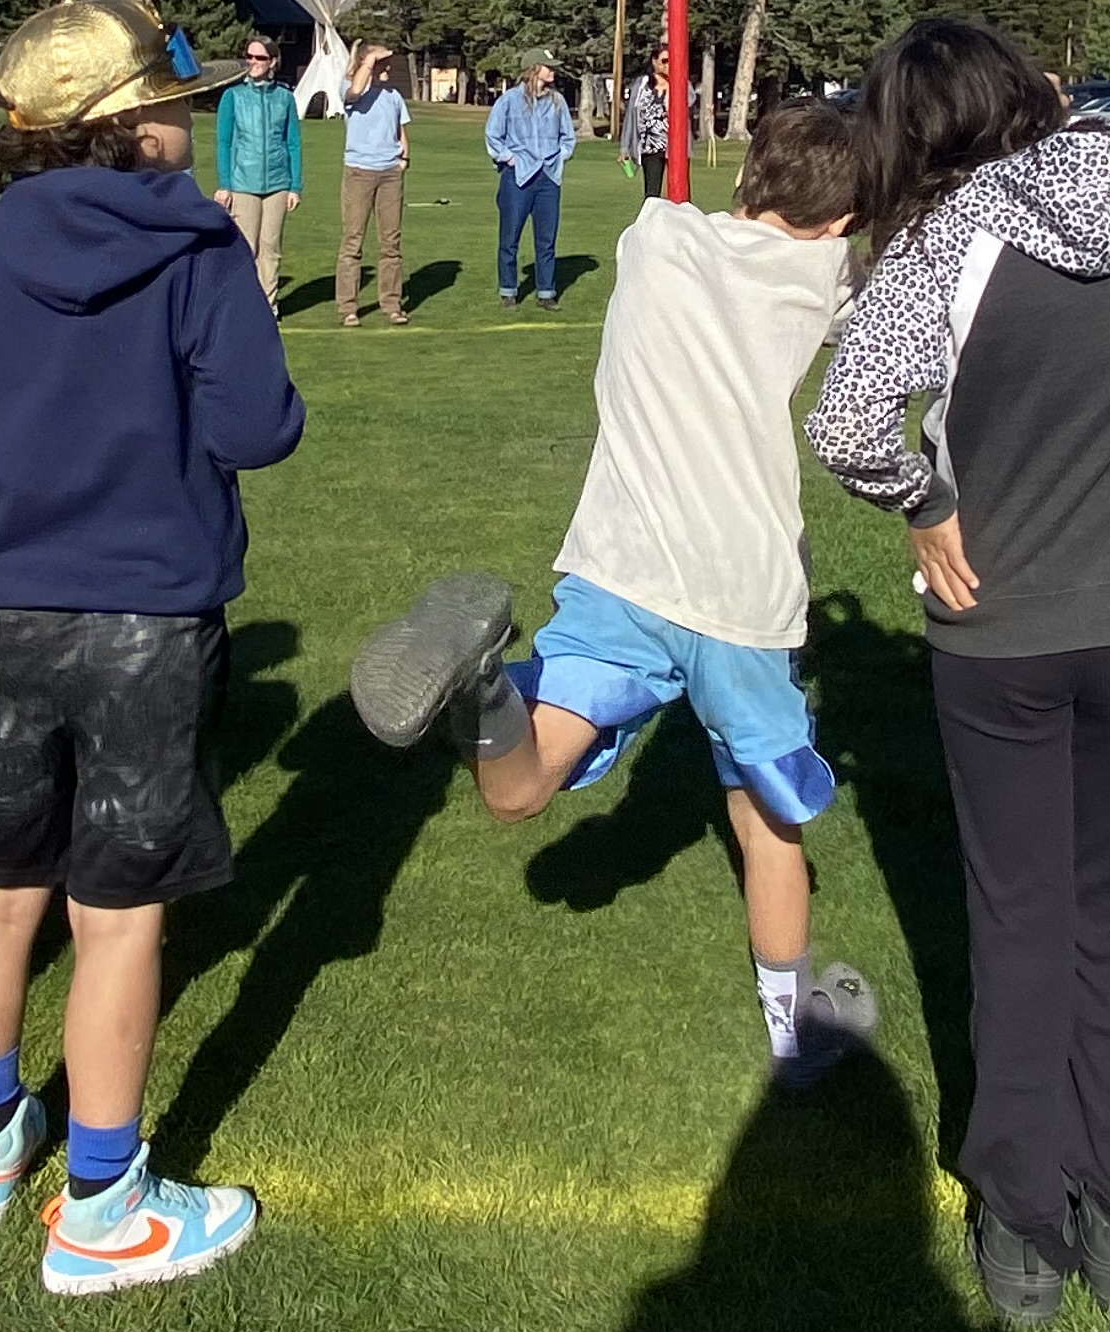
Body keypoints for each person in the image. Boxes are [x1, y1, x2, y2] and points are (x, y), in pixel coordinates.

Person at [806, 20, 1110, 1327]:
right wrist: (1073, 119)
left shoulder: (948, 237)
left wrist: (924, 501)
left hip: (1009, 624)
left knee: (1021, 914)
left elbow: (845, 418)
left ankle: (1025, 1214)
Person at [347, 100, 878, 1090]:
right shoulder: (829, 277)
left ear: (749, 175)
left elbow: (683, 202)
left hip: (618, 568)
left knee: (525, 785)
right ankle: (797, 1038)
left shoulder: (653, 237)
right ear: (844, 221)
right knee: (768, 823)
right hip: (739, 596)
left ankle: (483, 689)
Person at [0, 0, 296, 1295]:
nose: (188, 118)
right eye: (170, 103)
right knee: (117, 918)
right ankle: (104, 1204)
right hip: (151, 623)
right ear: (129, 129)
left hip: (6, 613)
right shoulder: (199, 254)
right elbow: (258, 427)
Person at [211, 32, 302, 303]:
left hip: (278, 182)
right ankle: (243, 304)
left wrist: (294, 186)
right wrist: (225, 183)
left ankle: (268, 305)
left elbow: (293, 143)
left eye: (260, 57)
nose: (253, 62)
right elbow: (224, 142)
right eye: (249, 56)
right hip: (243, 182)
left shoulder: (285, 99)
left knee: (271, 248)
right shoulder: (233, 96)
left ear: (273, 61)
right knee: (245, 247)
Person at [487, 58, 577, 309]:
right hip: (517, 177)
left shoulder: (557, 102)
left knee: (546, 239)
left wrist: (560, 158)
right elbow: (493, 135)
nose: (553, 71)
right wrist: (509, 158)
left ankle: (546, 293)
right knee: (510, 237)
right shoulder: (509, 100)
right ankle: (508, 290)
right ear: (533, 68)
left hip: (548, 178)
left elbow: (568, 138)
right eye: (548, 66)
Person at [336, 41, 410, 327]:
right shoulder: (348, 88)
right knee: (353, 241)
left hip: (390, 173)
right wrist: (368, 61)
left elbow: (399, 130)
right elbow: (354, 91)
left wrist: (403, 158)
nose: (387, 67)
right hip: (359, 173)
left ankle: (392, 304)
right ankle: (348, 308)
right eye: (382, 62)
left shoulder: (393, 95)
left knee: (391, 243)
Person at [619, 54, 672, 207]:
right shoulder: (642, 85)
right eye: (664, 61)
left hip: (673, 145)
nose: (667, 65)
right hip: (650, 146)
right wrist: (625, 147)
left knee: (677, 194)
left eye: (671, 61)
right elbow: (631, 115)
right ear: (654, 62)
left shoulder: (679, 84)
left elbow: (691, 100)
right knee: (652, 194)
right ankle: (649, 224)